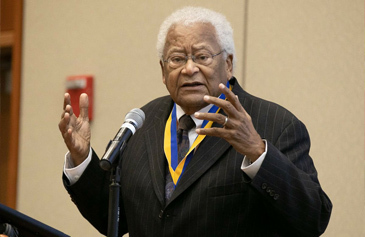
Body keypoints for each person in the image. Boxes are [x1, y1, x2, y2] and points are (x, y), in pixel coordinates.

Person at [59, 6, 332, 237]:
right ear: (163, 71)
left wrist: (258, 153)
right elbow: (114, 219)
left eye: (202, 57)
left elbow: (313, 218)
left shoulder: (275, 124)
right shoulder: (143, 123)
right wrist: (82, 160)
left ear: (228, 63)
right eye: (177, 59)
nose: (189, 69)